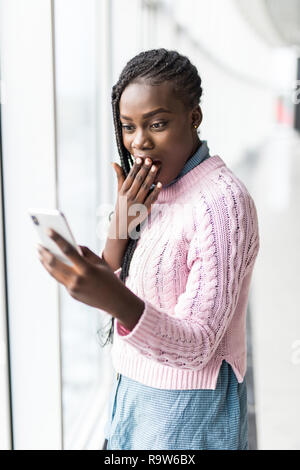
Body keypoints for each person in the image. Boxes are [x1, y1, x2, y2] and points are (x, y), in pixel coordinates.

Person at [37, 48, 260, 450]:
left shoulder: (223, 203)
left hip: (189, 414)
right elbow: (125, 293)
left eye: (157, 123)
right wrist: (121, 226)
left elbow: (199, 344)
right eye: (127, 127)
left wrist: (116, 298)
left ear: (194, 117)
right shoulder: (153, 191)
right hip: (132, 398)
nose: (139, 142)